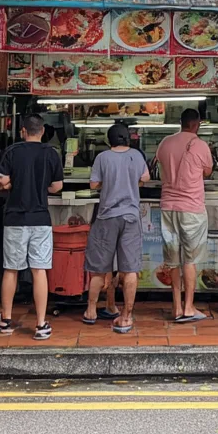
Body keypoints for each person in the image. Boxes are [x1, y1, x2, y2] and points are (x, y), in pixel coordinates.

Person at [0, 114, 64, 340]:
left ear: (23, 131)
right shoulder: (51, 153)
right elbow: (56, 187)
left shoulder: (12, 151)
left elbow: (1, 182)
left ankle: (5, 319)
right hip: (40, 218)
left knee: (11, 269)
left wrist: (14, 182)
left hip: (15, 218)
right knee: (39, 269)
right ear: (42, 131)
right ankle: (41, 324)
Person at [82, 122, 150, 333]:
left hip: (106, 217)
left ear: (109, 140)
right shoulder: (137, 156)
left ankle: (91, 311)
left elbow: (94, 184)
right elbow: (145, 178)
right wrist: (130, 182)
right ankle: (126, 317)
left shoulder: (102, 157)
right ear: (128, 138)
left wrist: (109, 182)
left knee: (99, 269)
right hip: (130, 217)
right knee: (129, 269)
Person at [155, 108, 214, 321]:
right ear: (196, 124)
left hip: (168, 208)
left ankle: (177, 307)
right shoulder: (200, 145)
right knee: (190, 260)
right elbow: (207, 171)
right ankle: (189, 307)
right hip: (192, 210)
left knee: (172, 260)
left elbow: (158, 165)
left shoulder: (165, 143)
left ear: (181, 122)